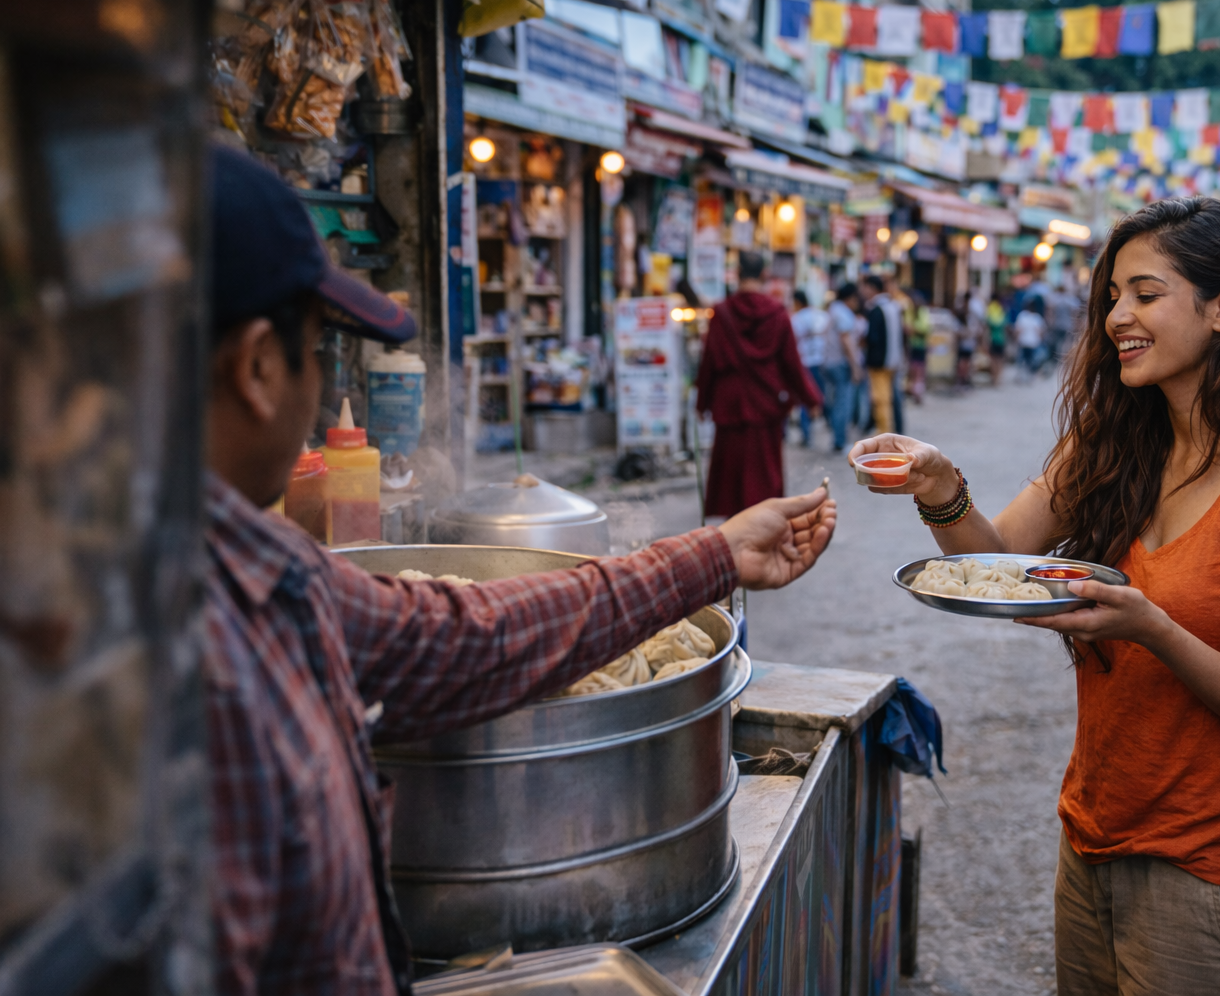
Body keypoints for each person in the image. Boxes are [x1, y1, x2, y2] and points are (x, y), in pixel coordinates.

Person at [202, 148, 838, 996]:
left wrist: (717, 554)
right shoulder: (165, 651)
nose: (319, 385)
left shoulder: (259, 567)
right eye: (316, 350)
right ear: (254, 368)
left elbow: (474, 640)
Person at [851, 197, 1220, 996]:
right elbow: (994, 560)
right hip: (1091, 843)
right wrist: (941, 487)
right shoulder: (1110, 442)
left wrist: (1152, 628)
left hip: (1215, 881)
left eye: (1146, 295)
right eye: (1112, 297)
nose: (1117, 315)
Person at [697, 251, 822, 517]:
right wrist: (811, 399)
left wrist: (701, 403)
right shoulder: (777, 312)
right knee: (763, 473)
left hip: (730, 404)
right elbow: (791, 363)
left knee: (730, 475)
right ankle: (765, 525)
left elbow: (708, 363)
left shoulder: (721, 313)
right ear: (764, 275)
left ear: (737, 273)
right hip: (766, 404)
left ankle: (735, 531)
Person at [858, 274, 904, 435]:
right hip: (894, 359)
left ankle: (884, 432)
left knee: (880, 400)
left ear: (871, 288)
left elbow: (873, 337)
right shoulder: (893, 306)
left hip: (879, 361)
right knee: (889, 398)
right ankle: (892, 430)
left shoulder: (875, 309)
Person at [819, 282, 861, 452]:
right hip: (840, 363)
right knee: (843, 403)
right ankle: (840, 441)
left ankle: (837, 438)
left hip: (828, 361)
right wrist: (855, 365)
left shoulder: (833, 310)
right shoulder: (843, 313)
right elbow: (846, 340)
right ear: (850, 298)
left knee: (835, 401)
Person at [790, 289, 831, 447]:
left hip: (805, 361)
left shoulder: (797, 318)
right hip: (822, 360)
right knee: (822, 395)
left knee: (806, 398)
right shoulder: (821, 315)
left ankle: (807, 434)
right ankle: (833, 427)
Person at [1014, 303, 1050, 376]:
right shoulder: (1037, 317)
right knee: (1032, 361)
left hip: (1024, 342)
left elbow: (1018, 329)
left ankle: (1022, 376)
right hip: (1033, 343)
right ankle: (1030, 376)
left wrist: (1016, 338)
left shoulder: (1022, 316)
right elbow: (1041, 331)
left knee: (1022, 361)